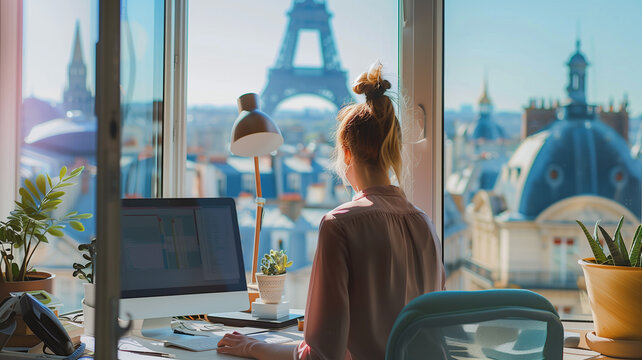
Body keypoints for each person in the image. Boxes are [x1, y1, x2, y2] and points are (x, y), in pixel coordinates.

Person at [217, 63, 445, 360]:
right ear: (392, 150)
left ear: (346, 153)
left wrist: (252, 346)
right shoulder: (424, 223)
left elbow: (321, 356)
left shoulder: (340, 224)